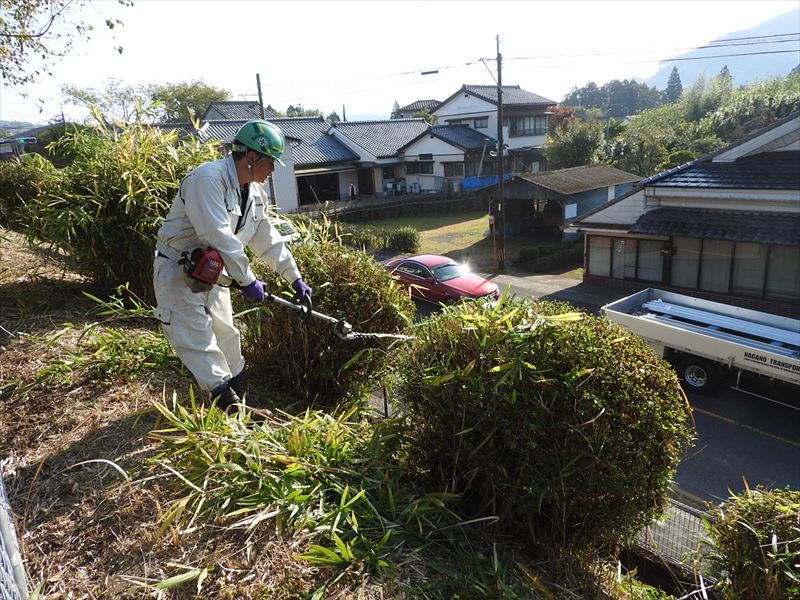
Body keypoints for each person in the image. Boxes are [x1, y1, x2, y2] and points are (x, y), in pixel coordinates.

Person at [153, 119, 312, 409]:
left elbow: (266, 237)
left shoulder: (253, 192)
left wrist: (294, 277)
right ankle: (227, 406)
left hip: (213, 272)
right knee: (197, 340)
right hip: (179, 270)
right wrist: (248, 280)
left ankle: (240, 397)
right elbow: (219, 235)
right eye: (271, 162)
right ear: (252, 158)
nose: (273, 170)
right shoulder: (207, 180)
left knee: (227, 333)